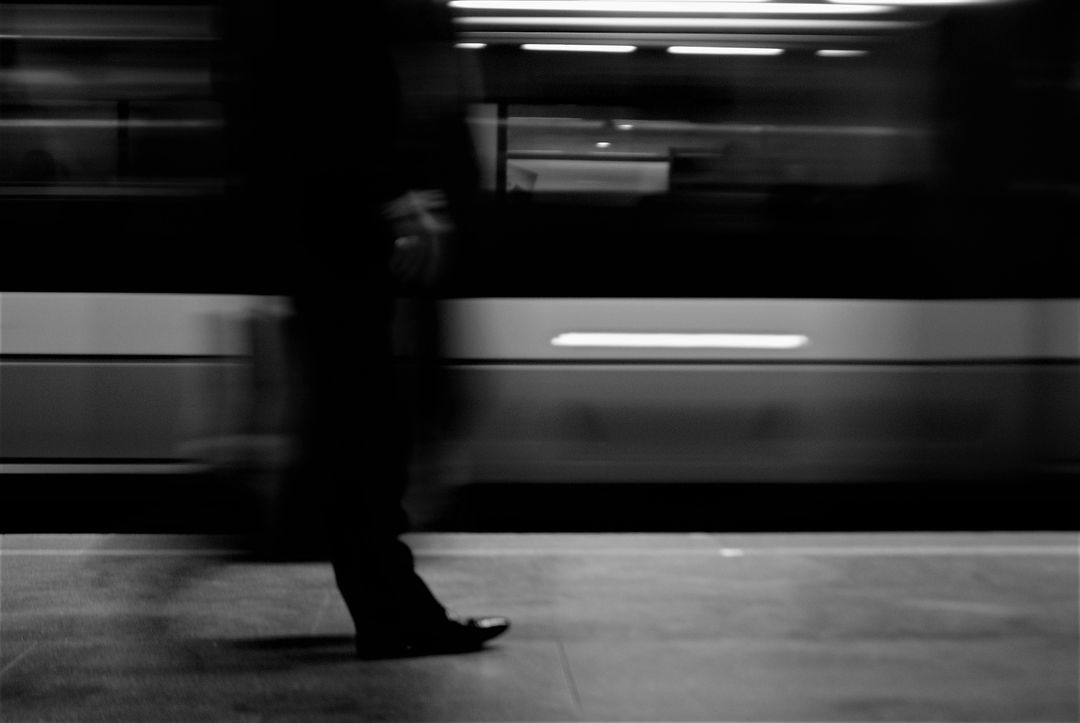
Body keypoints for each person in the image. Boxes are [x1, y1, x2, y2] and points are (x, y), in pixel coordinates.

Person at [219, 0, 508, 658]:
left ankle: (390, 603)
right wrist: (393, 191)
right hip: (339, 222)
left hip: (323, 215)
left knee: (356, 419)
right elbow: (336, 82)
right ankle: (392, 610)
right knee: (364, 424)